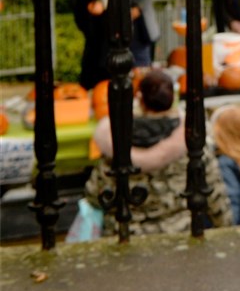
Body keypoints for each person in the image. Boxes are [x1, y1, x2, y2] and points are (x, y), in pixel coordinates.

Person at [86, 69, 231, 235]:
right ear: (172, 99)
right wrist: (225, 229)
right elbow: (214, 193)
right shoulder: (191, 143)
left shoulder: (115, 144)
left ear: (140, 99)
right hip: (178, 233)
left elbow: (94, 194)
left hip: (126, 234)